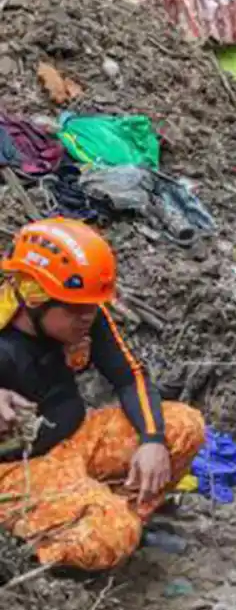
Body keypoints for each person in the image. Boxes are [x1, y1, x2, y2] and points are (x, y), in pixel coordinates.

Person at [0, 219, 205, 570]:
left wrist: (152, 440)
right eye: (76, 309)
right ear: (35, 296)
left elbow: (129, 377)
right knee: (112, 532)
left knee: (183, 426)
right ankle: (43, 548)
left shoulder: (85, 313)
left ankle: (119, 515)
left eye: (92, 307)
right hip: (17, 469)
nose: (88, 317)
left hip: (75, 436)